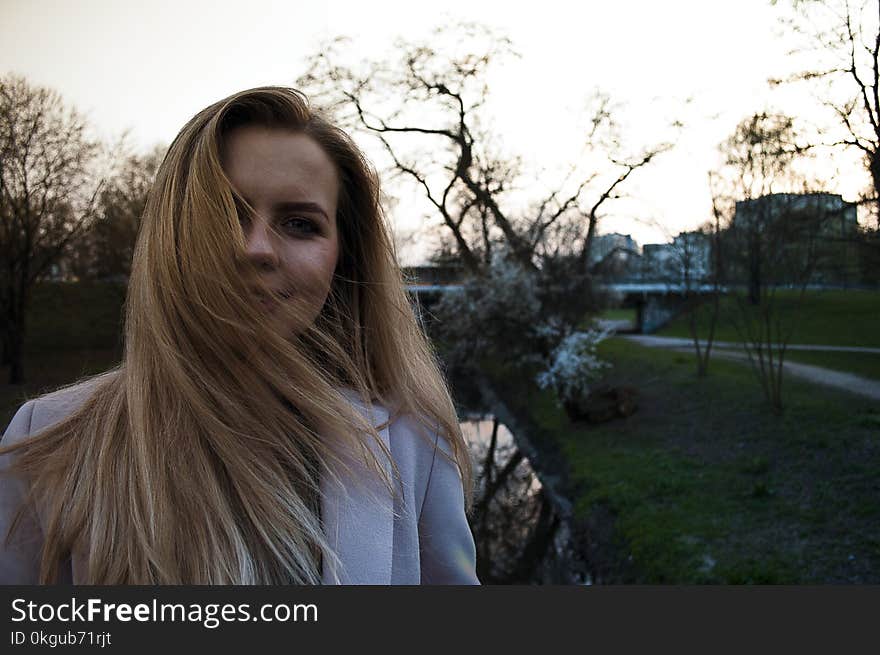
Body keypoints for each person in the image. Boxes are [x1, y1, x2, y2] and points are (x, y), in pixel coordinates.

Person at [0, 86, 479, 585]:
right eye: (227, 214)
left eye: (300, 224)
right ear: (173, 236)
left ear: (344, 260)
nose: (256, 249)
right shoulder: (47, 442)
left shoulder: (413, 444)